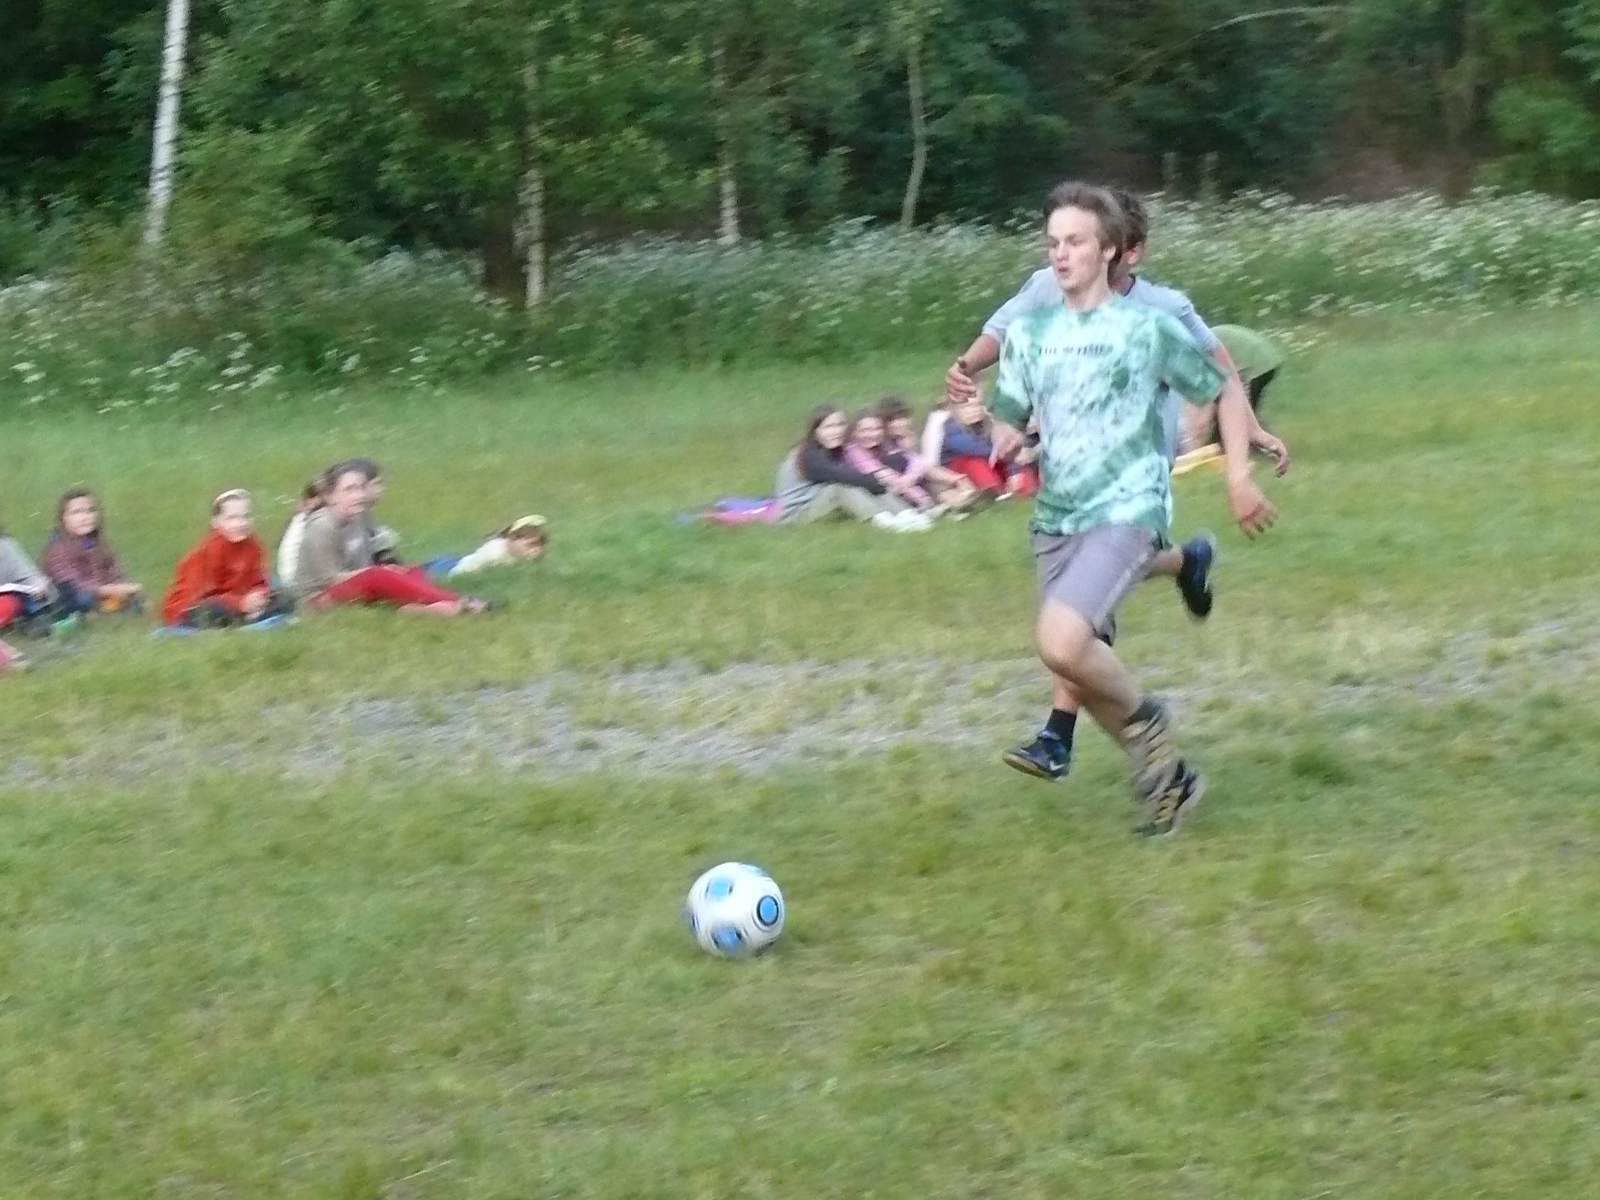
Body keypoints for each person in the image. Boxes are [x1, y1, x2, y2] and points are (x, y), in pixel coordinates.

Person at [985, 181, 1277, 836]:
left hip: (1128, 509)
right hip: (1058, 516)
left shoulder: (1148, 329)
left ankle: (1149, 721)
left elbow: (1223, 389)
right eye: (1053, 243)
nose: (1062, 254)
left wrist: (1238, 476)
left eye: (1076, 242)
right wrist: (1003, 433)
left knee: (1060, 641)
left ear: (1110, 250)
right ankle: (1171, 781)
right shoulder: (1031, 334)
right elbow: (1009, 412)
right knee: (1074, 664)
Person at [291, 464, 492, 614]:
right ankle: (460, 602)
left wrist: (388, 570)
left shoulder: (360, 517)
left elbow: (365, 563)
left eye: (362, 488)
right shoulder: (322, 526)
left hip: (353, 585)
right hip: (318, 599)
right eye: (349, 490)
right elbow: (329, 579)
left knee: (410, 571)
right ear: (330, 496)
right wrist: (376, 572)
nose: (359, 495)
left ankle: (422, 609)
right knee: (379, 576)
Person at [775, 406, 931, 532]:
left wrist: (873, 481)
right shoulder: (807, 455)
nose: (836, 431)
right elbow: (839, 476)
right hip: (797, 513)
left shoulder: (834, 450)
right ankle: (885, 522)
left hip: (819, 502)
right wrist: (871, 481)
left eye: (839, 425)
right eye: (829, 427)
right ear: (815, 431)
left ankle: (906, 514)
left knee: (866, 482)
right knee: (842, 488)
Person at [163, 489, 294, 628]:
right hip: (195, 606)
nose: (241, 524)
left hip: (240, 599)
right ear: (216, 522)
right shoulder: (210, 550)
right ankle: (245, 620)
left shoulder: (253, 545)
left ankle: (249, 618)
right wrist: (240, 604)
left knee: (284, 598)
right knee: (212, 612)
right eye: (232, 518)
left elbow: (260, 579)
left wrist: (259, 597)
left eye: (246, 517)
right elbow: (205, 595)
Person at [42, 488, 143, 615]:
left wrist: (122, 586)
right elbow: (73, 583)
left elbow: (114, 571)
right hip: (71, 595)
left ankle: (111, 606)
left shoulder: (99, 544)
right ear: (64, 519)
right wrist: (107, 590)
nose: (85, 517)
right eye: (76, 512)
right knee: (80, 598)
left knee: (130, 597)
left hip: (99, 592)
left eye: (90, 511)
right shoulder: (59, 548)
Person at [875, 397, 982, 512]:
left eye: (903, 418)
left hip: (921, 478)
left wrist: (954, 478)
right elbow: (918, 466)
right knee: (933, 479)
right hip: (904, 484)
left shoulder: (908, 438)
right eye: (893, 420)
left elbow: (924, 464)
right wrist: (954, 478)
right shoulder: (886, 446)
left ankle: (960, 500)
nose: (901, 423)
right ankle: (957, 500)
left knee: (937, 481)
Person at [844, 411, 938, 512]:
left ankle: (946, 493)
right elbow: (884, 476)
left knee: (927, 471)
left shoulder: (883, 447)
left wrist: (909, 478)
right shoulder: (853, 451)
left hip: (904, 487)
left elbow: (918, 461)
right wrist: (921, 498)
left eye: (877, 429)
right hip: (880, 492)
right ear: (854, 432)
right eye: (866, 430)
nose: (873, 434)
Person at [1, 513, 62, 634]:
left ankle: (38, 618)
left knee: (13, 602)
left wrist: (39, 584)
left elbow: (29, 574)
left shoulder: (6, 546)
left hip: (9, 598)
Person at [445, 515, 549, 577]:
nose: (536, 548)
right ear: (511, 539)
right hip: (452, 568)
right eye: (529, 543)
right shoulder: (494, 554)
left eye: (538, 542)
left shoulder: (522, 555)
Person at [276, 479, 323, 590]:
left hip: (290, 579)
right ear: (312, 501)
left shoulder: (300, 517)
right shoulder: (314, 523)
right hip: (300, 585)